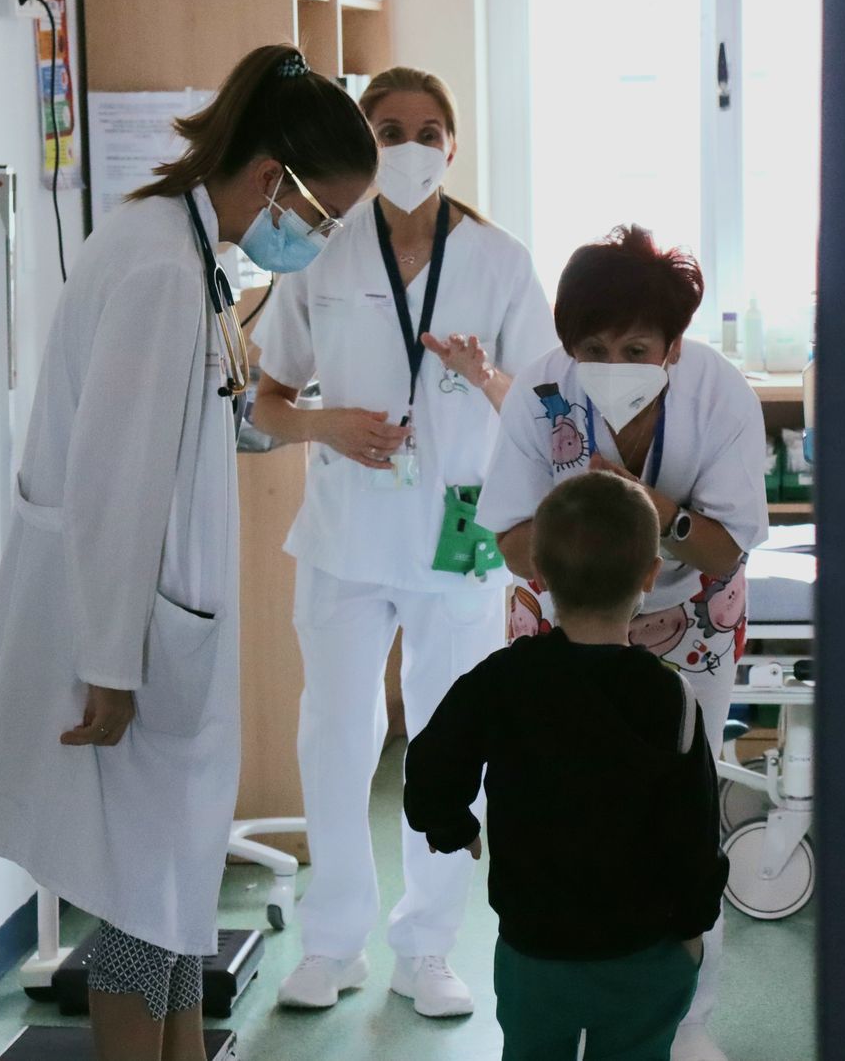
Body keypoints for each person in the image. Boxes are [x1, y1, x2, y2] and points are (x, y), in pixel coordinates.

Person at [0, 45, 377, 1061]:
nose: (313, 240)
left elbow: (180, 431)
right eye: (317, 216)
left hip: (157, 624)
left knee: (171, 898)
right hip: (130, 638)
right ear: (271, 175)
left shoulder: (184, 252)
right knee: (143, 911)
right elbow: (115, 484)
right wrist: (108, 663)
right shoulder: (155, 264)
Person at [251, 66, 557, 1018]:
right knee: (337, 735)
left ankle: (427, 948)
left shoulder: (500, 261)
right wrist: (324, 425)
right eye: (389, 129)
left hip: (458, 534)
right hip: (346, 528)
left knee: (449, 741)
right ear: (363, 141)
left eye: (429, 130)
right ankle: (332, 943)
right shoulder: (322, 256)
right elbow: (263, 402)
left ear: (454, 145)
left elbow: (548, 416)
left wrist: (490, 377)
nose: (410, 146)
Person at [475, 225, 768, 1061]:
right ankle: (566, 988)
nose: (612, 361)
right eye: (592, 346)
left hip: (688, 612)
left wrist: (643, 508)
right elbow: (510, 541)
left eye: (636, 346)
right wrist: (589, 555)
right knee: (568, 799)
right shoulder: (540, 393)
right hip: (566, 610)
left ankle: (688, 1019)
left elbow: (723, 547)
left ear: (674, 347)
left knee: (681, 810)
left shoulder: (719, 395)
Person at [403, 471, 728, 1061]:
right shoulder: (669, 697)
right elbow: (695, 827)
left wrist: (450, 824)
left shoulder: (500, 681)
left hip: (535, 949)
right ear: (651, 576)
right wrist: (692, 928)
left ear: (539, 576)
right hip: (644, 952)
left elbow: (430, 758)